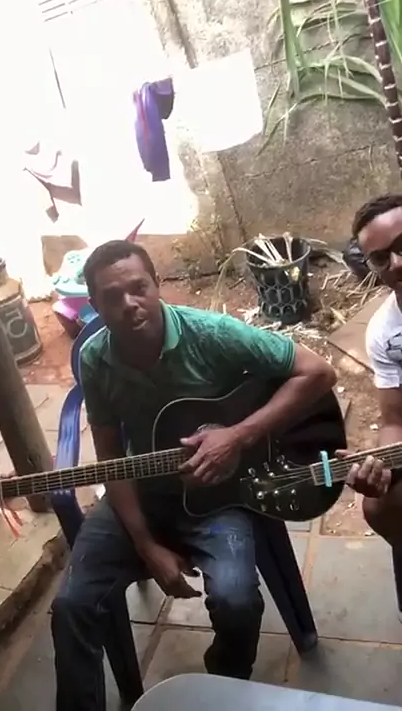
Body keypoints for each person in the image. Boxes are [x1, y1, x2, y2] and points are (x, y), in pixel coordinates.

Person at [51, 239, 337, 711]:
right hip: (141, 494)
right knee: (71, 607)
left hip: (218, 498)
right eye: (112, 297)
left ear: (156, 285)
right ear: (94, 307)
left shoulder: (212, 334)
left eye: (139, 288)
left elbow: (318, 373)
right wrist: (146, 545)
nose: (129, 304)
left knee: (237, 601)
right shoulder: (95, 358)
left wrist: (238, 437)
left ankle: (219, 688)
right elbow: (110, 456)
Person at [346, 194, 402, 547]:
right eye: (381, 258)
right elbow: (395, 421)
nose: (397, 263)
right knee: (379, 507)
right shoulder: (385, 332)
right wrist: (382, 466)